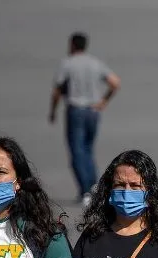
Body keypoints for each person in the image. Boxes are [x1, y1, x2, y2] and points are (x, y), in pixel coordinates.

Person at [49, 32, 122, 207]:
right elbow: (115, 82)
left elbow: (57, 90)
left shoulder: (67, 63)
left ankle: (86, 190)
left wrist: (53, 111)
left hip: (76, 110)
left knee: (77, 151)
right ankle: (94, 186)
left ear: (72, 45)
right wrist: (103, 101)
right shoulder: (95, 63)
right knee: (88, 149)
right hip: (93, 111)